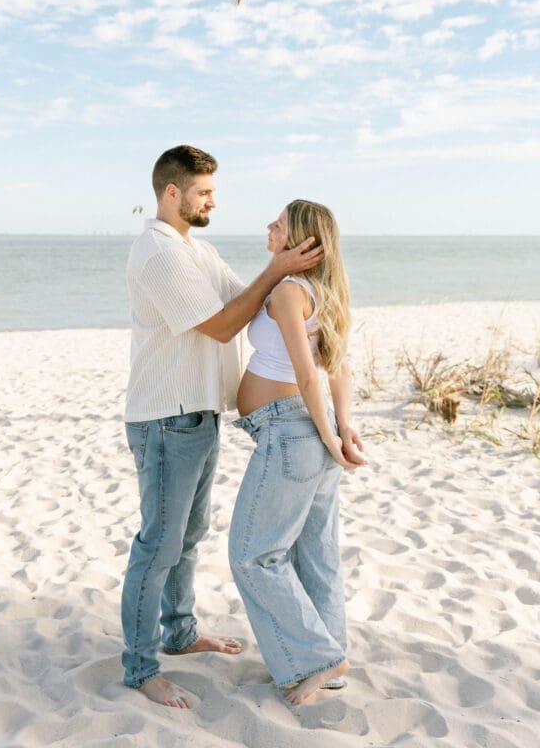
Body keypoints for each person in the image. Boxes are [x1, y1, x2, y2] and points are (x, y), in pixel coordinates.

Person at [122, 147, 323, 709]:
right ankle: (140, 668)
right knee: (158, 544)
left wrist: (300, 283)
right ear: (172, 193)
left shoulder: (197, 250)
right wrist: (277, 268)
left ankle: (180, 634)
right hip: (165, 418)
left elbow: (248, 301)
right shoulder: (158, 253)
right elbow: (221, 325)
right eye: (204, 192)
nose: (214, 201)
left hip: (199, 414)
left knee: (187, 537)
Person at [228, 199, 366, 706]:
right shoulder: (323, 292)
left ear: (302, 239)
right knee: (316, 553)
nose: (269, 226)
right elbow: (340, 367)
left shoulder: (289, 292)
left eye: (279, 223)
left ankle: (315, 659)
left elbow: (312, 374)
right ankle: (330, 661)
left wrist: (332, 436)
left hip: (291, 431)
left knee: (252, 554)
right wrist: (340, 427)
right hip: (310, 430)